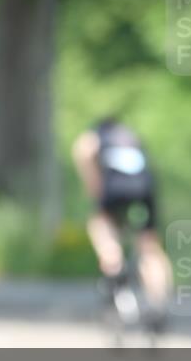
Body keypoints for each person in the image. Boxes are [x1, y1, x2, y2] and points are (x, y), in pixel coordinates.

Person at [72, 118, 173, 330]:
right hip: (144, 189)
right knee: (149, 247)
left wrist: (95, 188)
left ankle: (113, 263)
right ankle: (158, 301)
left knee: (100, 223)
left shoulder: (97, 135)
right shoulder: (131, 136)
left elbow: (83, 152)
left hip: (115, 187)